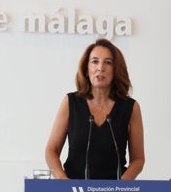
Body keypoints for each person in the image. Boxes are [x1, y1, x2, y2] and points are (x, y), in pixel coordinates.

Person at [45, 38, 145, 180]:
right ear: (86, 68)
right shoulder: (70, 102)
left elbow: (138, 159)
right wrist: (63, 181)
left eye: (108, 62)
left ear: (116, 69)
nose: (100, 68)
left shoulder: (131, 108)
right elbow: (51, 150)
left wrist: (121, 187)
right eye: (95, 61)